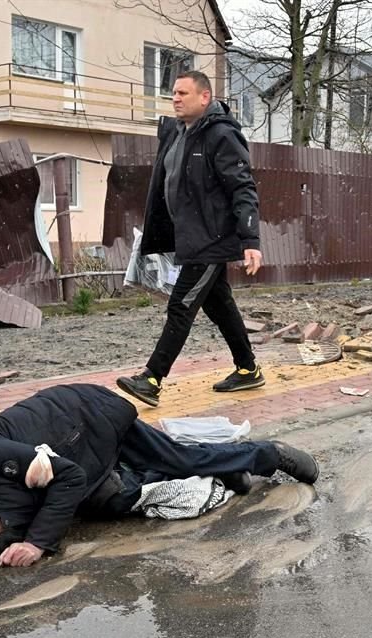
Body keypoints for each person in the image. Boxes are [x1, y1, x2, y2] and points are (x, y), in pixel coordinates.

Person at [0, 383, 319, 567]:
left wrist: (37, 544)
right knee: (118, 495)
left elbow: (69, 477)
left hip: (88, 415)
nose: (6, 534)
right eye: (0, 540)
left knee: (181, 460)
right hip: (75, 442)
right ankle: (231, 468)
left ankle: (270, 454)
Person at [116, 70, 264, 408]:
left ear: (205, 97)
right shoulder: (177, 134)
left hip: (212, 240)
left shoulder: (221, 135)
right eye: (174, 94)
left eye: (183, 93)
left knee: (181, 305)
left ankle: (152, 378)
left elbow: (243, 188)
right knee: (219, 305)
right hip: (190, 237)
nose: (176, 99)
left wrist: (250, 239)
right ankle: (248, 369)